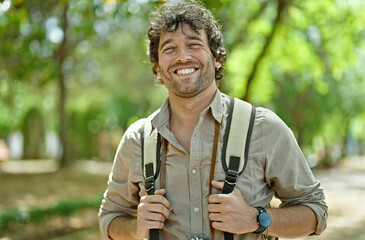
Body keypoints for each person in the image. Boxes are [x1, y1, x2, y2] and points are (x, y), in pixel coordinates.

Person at [99, 1, 327, 239]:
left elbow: (316, 213)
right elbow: (109, 219)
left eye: (194, 44)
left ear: (217, 57)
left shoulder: (263, 128)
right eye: (169, 49)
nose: (182, 57)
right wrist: (135, 229)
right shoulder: (137, 139)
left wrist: (256, 218)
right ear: (157, 68)